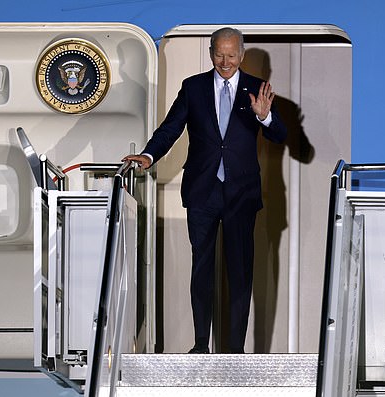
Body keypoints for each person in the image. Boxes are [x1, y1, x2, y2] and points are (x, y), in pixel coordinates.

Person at [123, 27, 287, 354]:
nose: (225, 61)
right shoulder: (193, 87)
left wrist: (265, 118)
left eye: (231, 55)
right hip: (202, 191)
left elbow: (280, 135)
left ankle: (236, 350)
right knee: (202, 268)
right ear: (211, 52)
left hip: (241, 194)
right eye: (218, 54)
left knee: (240, 274)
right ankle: (201, 344)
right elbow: (170, 128)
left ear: (242, 54)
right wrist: (148, 155)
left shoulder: (258, 89)